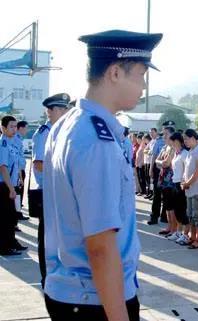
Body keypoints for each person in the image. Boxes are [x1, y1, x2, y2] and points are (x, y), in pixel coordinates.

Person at [42, 29, 162, 321]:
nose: (143, 86)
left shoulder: (68, 123)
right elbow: (100, 246)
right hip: (94, 300)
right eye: (141, 75)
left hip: (70, 292)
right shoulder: (98, 140)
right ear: (115, 73)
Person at [32, 93, 71, 288]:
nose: (67, 112)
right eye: (63, 109)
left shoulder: (63, 132)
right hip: (49, 193)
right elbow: (39, 164)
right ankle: (46, 276)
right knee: (47, 238)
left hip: (61, 195)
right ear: (52, 111)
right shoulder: (45, 133)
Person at [0, 115, 26, 256]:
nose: (14, 129)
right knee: (5, 218)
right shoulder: (3, 143)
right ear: (3, 128)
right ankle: (4, 246)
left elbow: (16, 164)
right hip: (4, 185)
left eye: (15, 126)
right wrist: (10, 188)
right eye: (11, 126)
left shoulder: (13, 142)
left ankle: (11, 242)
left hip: (11, 184)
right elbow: (3, 168)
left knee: (11, 217)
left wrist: (20, 179)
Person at [182, 129, 198, 249]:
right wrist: (184, 182)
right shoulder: (190, 151)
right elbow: (187, 170)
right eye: (184, 139)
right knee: (191, 215)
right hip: (189, 189)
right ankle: (192, 237)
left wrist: (187, 183)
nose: (185, 141)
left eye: (186, 139)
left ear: (193, 138)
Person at [14, 120, 28, 220]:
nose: (26, 131)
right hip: (18, 171)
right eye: (26, 128)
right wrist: (19, 175)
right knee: (18, 193)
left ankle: (17, 213)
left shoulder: (18, 138)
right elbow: (17, 158)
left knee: (20, 193)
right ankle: (17, 214)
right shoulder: (16, 139)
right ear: (21, 128)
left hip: (20, 170)